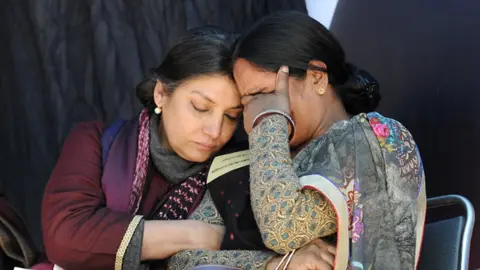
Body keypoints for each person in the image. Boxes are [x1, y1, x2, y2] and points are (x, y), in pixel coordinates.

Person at [37, 26, 337, 270]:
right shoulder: (97, 141)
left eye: (232, 116)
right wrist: (194, 234)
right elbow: (65, 236)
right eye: (200, 107)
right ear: (160, 94)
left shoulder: (236, 171)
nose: (214, 131)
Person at [185, 11, 425, 269]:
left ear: (317, 78)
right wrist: (274, 265)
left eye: (266, 95)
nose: (256, 113)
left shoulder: (372, 139)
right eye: (247, 103)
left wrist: (270, 118)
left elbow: (283, 227)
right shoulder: (248, 164)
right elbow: (185, 260)